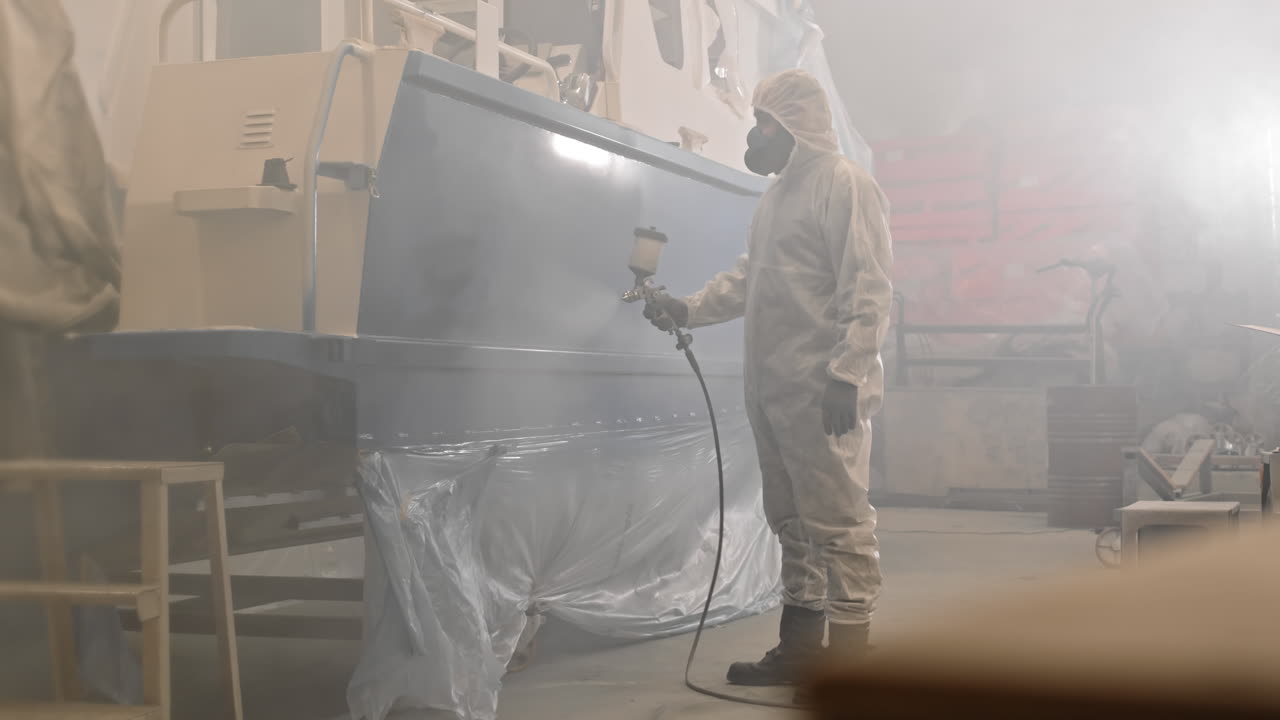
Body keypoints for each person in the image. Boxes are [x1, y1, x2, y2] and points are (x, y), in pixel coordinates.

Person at [645, 68, 893, 689]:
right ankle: (802, 648)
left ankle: (852, 654)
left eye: (763, 125)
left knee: (839, 523)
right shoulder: (778, 197)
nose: (754, 138)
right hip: (774, 390)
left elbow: (868, 287)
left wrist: (846, 374)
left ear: (796, 127)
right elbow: (749, 279)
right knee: (792, 523)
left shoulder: (846, 186)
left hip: (822, 390)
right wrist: (689, 308)